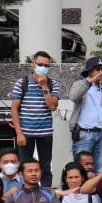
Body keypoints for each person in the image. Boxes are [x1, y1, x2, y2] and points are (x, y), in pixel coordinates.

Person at [9, 51, 62, 185]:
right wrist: (19, 133)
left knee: (45, 167)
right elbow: (14, 109)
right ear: (33, 64)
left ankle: (46, 196)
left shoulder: (52, 84)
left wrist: (44, 86)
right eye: (40, 64)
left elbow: (52, 106)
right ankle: (25, 195)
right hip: (26, 133)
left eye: (46, 65)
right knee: (25, 167)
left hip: (45, 133)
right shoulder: (22, 83)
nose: (43, 67)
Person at [68, 56, 102, 173]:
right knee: (80, 169)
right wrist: (89, 81)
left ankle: (96, 191)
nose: (100, 72)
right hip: (84, 133)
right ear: (89, 70)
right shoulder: (79, 84)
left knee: (100, 168)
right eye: (97, 69)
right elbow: (74, 97)